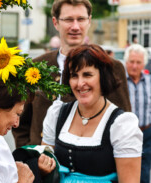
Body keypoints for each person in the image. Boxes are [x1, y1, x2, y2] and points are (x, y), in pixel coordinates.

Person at [42, 44, 142, 183]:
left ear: (102, 77)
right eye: (74, 75)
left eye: (87, 75)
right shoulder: (58, 114)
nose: (80, 83)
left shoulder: (121, 124)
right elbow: (46, 164)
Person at [12, 0, 131, 148]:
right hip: (40, 161)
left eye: (81, 19)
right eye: (68, 19)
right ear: (55, 22)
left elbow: (122, 122)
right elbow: (20, 120)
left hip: (90, 163)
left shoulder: (112, 67)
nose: (75, 27)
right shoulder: (34, 67)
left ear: (89, 21)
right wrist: (28, 155)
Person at [125, 44, 151, 183]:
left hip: (147, 133)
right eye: (132, 62)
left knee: (142, 176)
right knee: (125, 178)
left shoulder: (149, 81)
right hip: (125, 134)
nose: (134, 66)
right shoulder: (119, 83)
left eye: (138, 62)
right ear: (126, 62)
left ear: (144, 63)